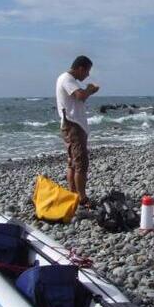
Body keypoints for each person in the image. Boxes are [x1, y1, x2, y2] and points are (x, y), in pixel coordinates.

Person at [56, 55, 99, 208]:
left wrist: (89, 91)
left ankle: (73, 195)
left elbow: (79, 98)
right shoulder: (67, 79)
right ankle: (82, 198)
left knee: (73, 163)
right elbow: (80, 96)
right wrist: (89, 89)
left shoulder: (66, 79)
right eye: (87, 71)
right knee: (80, 163)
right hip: (73, 125)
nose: (87, 75)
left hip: (71, 124)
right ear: (80, 68)